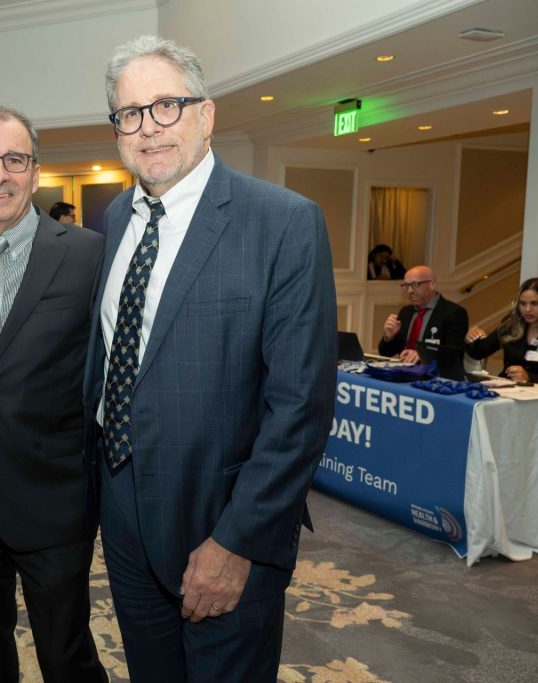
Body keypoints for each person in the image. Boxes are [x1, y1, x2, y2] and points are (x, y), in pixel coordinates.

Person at [82, 36, 337, 682]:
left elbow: (300, 408)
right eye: (130, 113)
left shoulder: (283, 222)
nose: (149, 127)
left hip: (221, 522)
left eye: (166, 105)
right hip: (124, 515)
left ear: (206, 114)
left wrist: (237, 541)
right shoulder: (116, 218)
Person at [0, 105, 107, 682]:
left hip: (52, 499)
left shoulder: (88, 253)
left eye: (13, 159)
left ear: (35, 171)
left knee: (67, 657)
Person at [465, 277, 538, 385]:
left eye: (535, 303)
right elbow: (478, 352)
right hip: (507, 388)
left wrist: (530, 377)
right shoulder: (511, 325)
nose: (527, 309)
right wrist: (471, 337)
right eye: (522, 303)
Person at [378, 265, 468, 363]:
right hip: (403, 370)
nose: (410, 291)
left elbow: (455, 355)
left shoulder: (454, 313)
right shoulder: (405, 312)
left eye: (415, 284)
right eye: (406, 286)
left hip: (433, 371)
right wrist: (389, 336)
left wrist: (424, 354)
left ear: (432, 284)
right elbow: (385, 353)